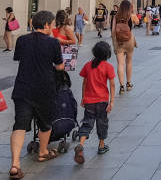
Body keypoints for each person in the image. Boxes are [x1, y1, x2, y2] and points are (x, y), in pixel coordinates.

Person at [9, 11, 64, 179]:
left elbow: (19, 58)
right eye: (52, 24)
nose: (53, 27)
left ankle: (15, 164)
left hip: (23, 88)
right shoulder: (53, 43)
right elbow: (60, 66)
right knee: (45, 123)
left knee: (19, 125)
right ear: (46, 25)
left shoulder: (22, 40)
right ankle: (42, 152)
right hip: (44, 89)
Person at [73, 41, 115, 164]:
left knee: (87, 123)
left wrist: (83, 98)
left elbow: (84, 83)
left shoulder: (88, 65)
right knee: (102, 123)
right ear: (107, 54)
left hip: (89, 101)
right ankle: (101, 146)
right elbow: (112, 85)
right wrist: (111, 102)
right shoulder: (108, 67)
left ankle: (80, 145)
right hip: (102, 101)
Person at [111, 0, 139, 95]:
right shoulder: (131, 15)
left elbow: (113, 31)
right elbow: (138, 22)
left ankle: (121, 86)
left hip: (118, 41)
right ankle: (128, 83)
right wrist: (133, 12)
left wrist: (114, 41)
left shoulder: (116, 17)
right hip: (129, 40)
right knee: (129, 62)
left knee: (120, 64)